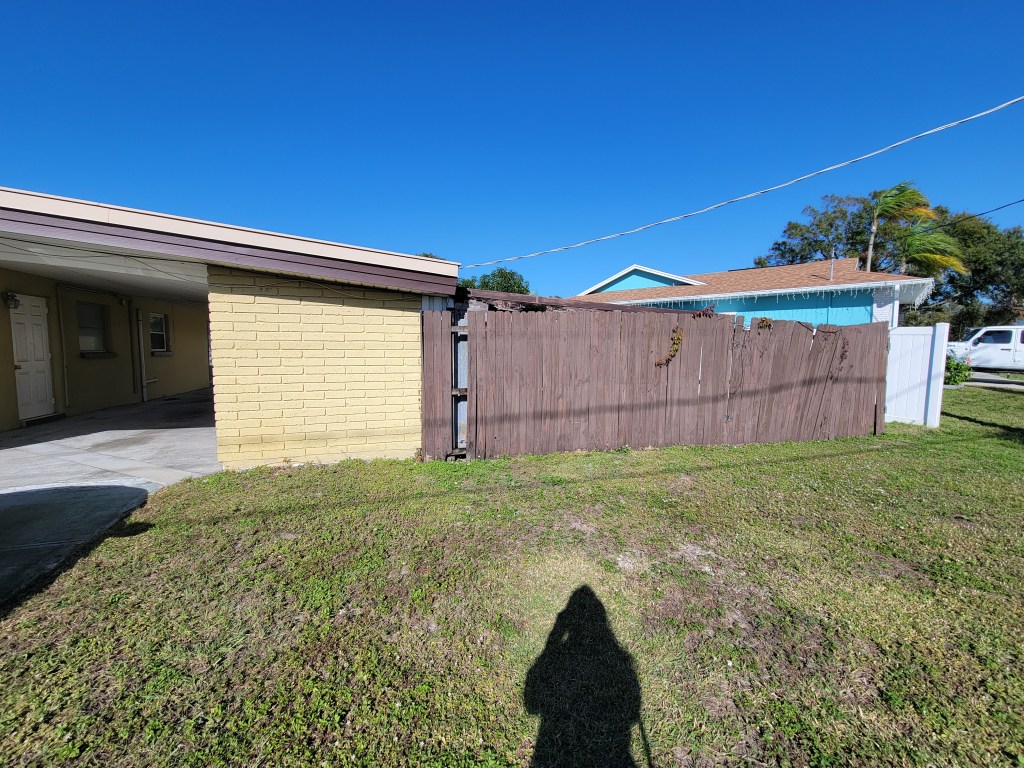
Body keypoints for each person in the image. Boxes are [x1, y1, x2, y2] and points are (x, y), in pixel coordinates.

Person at [524, 585, 643, 767]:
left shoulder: (562, 657)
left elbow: (531, 706)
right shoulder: (622, 662)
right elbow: (632, 712)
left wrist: (554, 639)